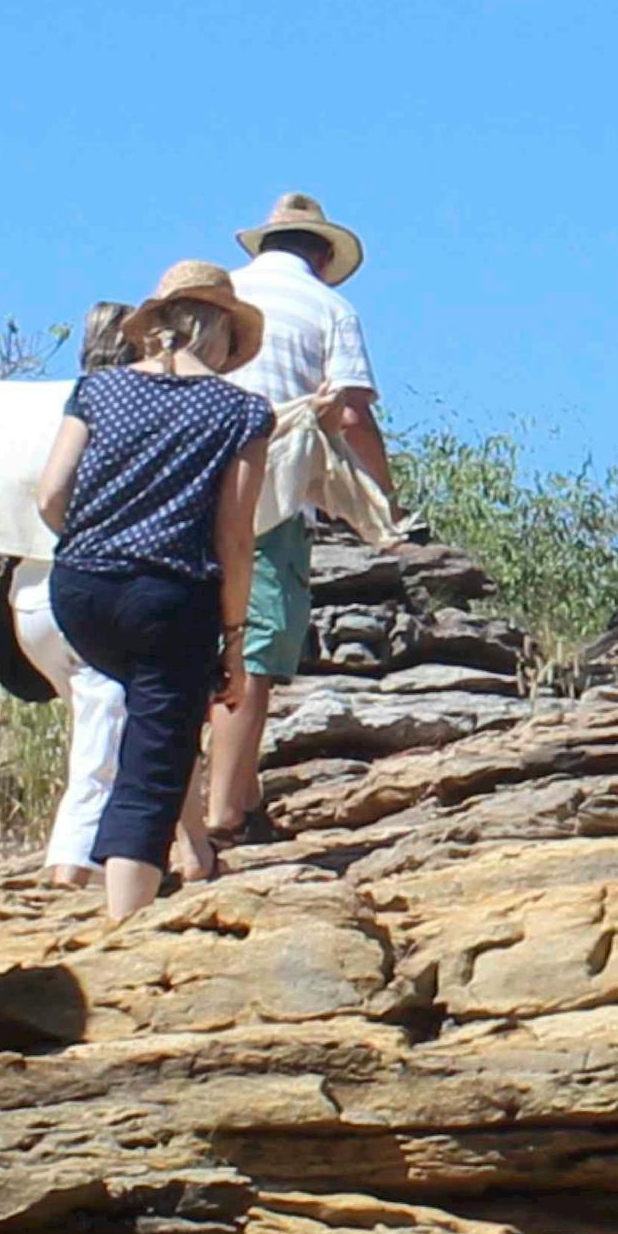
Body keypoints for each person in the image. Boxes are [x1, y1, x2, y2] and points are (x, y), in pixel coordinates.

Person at [48, 264, 279, 916]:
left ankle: (172, 862)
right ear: (223, 338)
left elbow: (50, 493)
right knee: (155, 752)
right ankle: (127, 924)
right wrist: (233, 639)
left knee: (152, 718)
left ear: (159, 328)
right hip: (170, 594)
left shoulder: (98, 390)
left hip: (81, 588)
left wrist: (101, 539)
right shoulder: (241, 411)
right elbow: (236, 537)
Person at [193, 190, 389, 868]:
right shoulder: (332, 309)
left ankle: (227, 801)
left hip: (188, 480)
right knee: (253, 640)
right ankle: (225, 811)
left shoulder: (218, 297)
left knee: (192, 639)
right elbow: (354, 414)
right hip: (269, 489)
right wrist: (382, 504)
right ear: (322, 254)